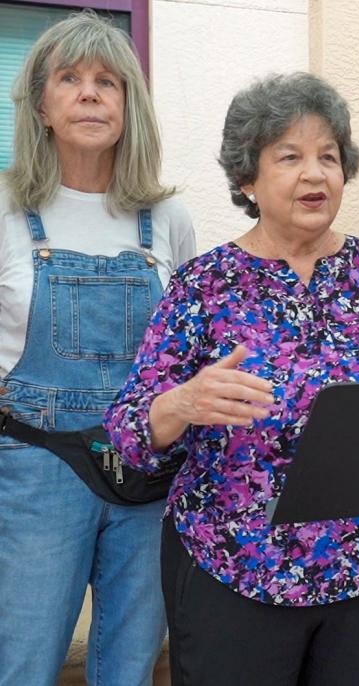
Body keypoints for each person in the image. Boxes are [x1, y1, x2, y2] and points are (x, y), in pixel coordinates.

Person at [104, 72, 359, 686]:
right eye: (290, 157)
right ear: (246, 180)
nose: (315, 174)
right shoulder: (205, 285)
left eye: (328, 157)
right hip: (236, 568)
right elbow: (128, 432)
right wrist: (181, 402)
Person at [0, 12, 195, 685]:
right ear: (42, 105)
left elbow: (183, 351)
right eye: (70, 79)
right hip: (35, 469)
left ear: (129, 106)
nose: (89, 93)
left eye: (107, 82)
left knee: (133, 662)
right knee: (23, 659)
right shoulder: (3, 207)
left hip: (147, 472)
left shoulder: (167, 219)